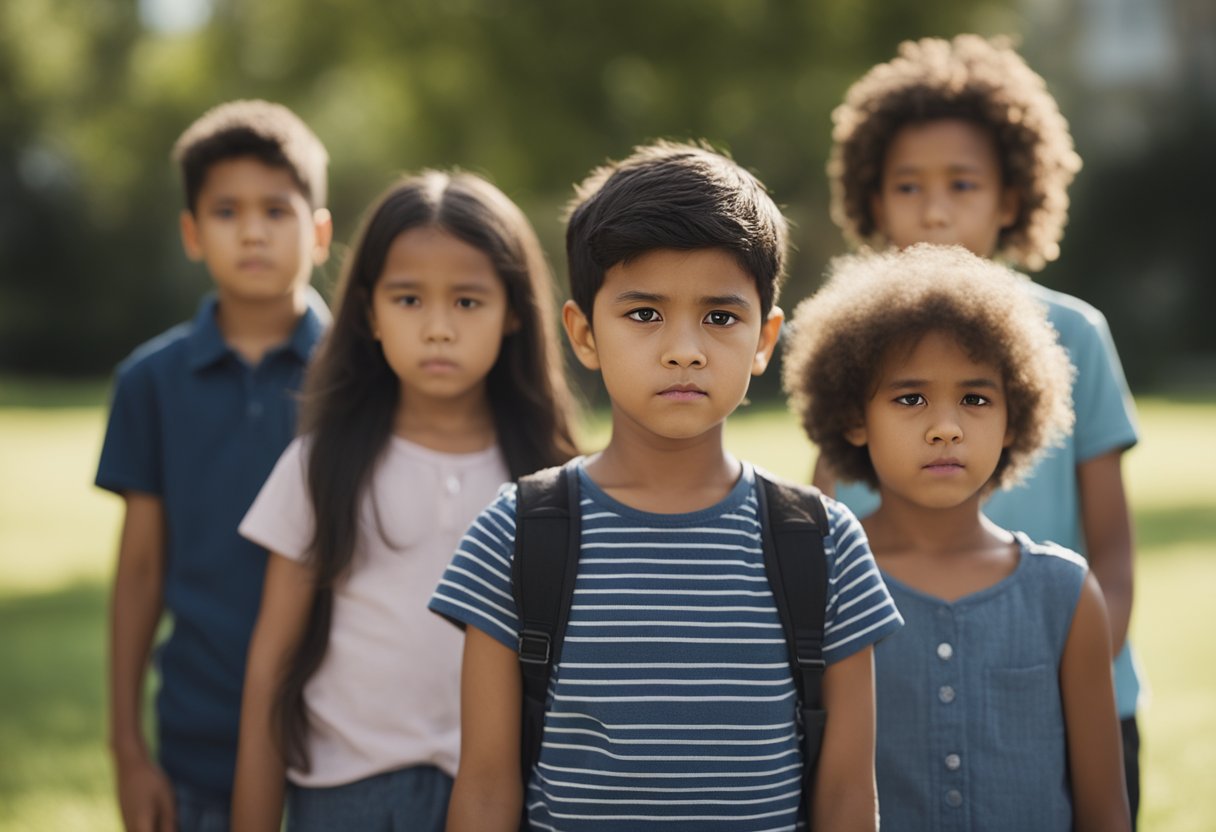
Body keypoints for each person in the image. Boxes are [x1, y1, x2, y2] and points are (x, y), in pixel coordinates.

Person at [429, 141, 903, 832]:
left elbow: (848, 800)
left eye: (720, 316)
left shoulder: (824, 544)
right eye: (645, 313)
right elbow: (485, 791)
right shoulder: (516, 532)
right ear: (584, 334)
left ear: (766, 337)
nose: (685, 347)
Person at [818, 33, 1144, 822]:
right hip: (899, 691)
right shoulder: (854, 344)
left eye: (961, 184)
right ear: (872, 200)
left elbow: (1114, 549)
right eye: (907, 186)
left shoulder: (1076, 334)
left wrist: (1051, 682)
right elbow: (825, 521)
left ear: (1010, 197)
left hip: (1061, 683)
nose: (934, 209)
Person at [230, 171, 579, 831]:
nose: (439, 328)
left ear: (513, 312)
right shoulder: (320, 466)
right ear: (369, 311)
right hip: (344, 794)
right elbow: (269, 674)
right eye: (410, 299)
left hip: (507, 796)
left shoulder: (551, 482)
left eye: (468, 302)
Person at [784, 243, 1130, 830]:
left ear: (1013, 417)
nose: (945, 428)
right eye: (910, 398)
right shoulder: (821, 581)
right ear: (854, 419)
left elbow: (1105, 812)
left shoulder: (1066, 592)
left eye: (974, 398)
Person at [95, 99, 332, 832]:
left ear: (319, 232)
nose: (253, 230)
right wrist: (129, 752)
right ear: (193, 233)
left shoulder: (367, 374)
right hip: (196, 746)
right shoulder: (149, 382)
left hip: (348, 747)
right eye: (227, 211)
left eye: (277, 209)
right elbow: (138, 574)